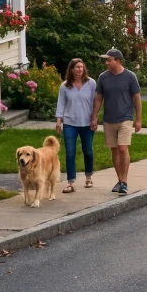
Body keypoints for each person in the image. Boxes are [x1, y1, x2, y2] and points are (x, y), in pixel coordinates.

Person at [95, 48, 142, 195]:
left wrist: (138, 119)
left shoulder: (130, 77)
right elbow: (98, 99)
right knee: (114, 150)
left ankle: (125, 181)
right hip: (109, 119)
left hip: (125, 118)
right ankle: (120, 180)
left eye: (109, 60)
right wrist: (94, 117)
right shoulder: (103, 77)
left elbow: (137, 98)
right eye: (106, 60)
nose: (107, 62)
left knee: (123, 148)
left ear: (118, 61)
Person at [55, 58, 97, 194]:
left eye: (81, 67)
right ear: (71, 70)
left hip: (87, 123)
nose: (80, 69)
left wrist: (94, 118)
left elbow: (96, 102)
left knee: (88, 150)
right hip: (70, 123)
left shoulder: (91, 83)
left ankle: (88, 177)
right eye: (77, 67)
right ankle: (70, 182)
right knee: (70, 152)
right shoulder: (65, 86)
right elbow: (61, 103)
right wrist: (58, 121)